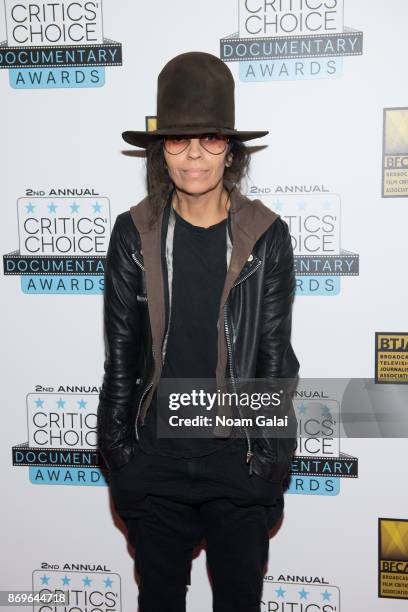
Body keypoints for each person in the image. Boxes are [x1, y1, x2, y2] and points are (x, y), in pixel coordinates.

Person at [97, 51, 299, 612]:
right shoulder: (133, 233)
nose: (193, 157)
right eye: (179, 141)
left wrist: (269, 463)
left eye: (210, 139)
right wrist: (120, 457)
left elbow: (273, 358)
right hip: (154, 460)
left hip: (237, 461)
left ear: (229, 149)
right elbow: (120, 357)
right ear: (161, 151)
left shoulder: (266, 236)